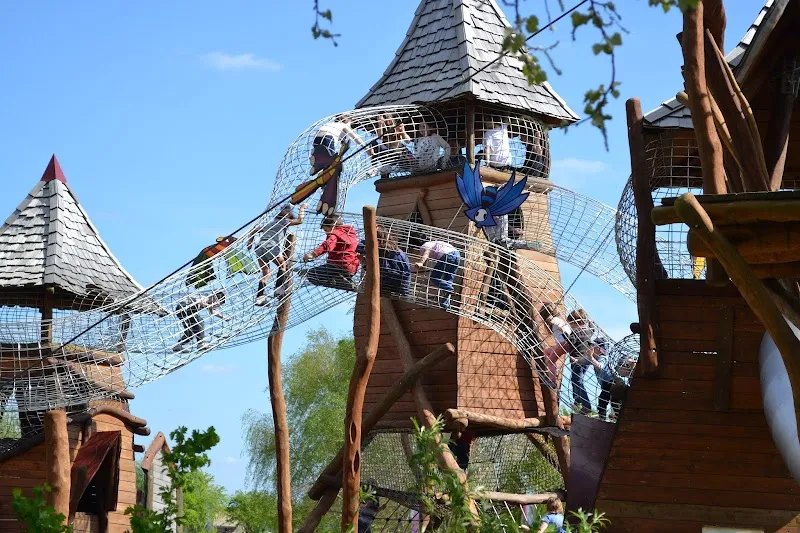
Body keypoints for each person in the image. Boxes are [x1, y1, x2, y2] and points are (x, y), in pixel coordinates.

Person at [247, 203, 307, 305]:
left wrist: (250, 243)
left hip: (259, 248)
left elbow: (254, 230)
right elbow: (300, 220)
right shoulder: (284, 221)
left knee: (267, 274)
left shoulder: (270, 223)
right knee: (283, 265)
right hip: (271, 247)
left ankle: (259, 298)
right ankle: (279, 290)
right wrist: (302, 208)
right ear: (287, 215)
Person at [303, 214, 360, 291]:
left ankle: (340, 282)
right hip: (351, 269)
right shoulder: (350, 234)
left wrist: (312, 255)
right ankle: (344, 281)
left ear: (333, 226)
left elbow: (328, 245)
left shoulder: (335, 233)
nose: (326, 233)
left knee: (311, 274)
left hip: (339, 265)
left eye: (326, 230)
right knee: (329, 273)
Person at [357, 226, 412, 297]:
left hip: (396, 290)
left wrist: (364, 262)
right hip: (392, 288)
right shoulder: (385, 250)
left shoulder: (392, 253)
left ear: (380, 239)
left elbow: (381, 272)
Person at [567, 309, 602, 413]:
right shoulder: (588, 331)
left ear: (575, 323)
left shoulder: (576, 332)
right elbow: (593, 329)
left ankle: (585, 405)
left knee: (577, 381)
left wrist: (563, 332)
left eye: (571, 324)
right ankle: (577, 399)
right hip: (586, 359)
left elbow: (569, 341)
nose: (570, 327)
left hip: (577, 360)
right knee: (576, 379)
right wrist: (590, 321)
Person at [414, 239, 461, 310]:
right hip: (457, 255)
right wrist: (421, 266)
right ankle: (445, 304)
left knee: (434, 278)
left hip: (447, 255)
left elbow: (426, 253)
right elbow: (424, 265)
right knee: (447, 279)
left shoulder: (424, 246)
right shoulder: (433, 243)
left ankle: (448, 288)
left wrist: (421, 262)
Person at [539, 303, 573, 386]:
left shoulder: (555, 320)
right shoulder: (560, 319)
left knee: (551, 361)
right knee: (547, 351)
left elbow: (554, 321)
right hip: (564, 344)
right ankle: (554, 370)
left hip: (563, 343)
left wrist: (550, 319)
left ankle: (553, 381)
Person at [598, 352, 636, 420]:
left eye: (618, 367)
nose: (617, 370)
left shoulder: (635, 371)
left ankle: (617, 415)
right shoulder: (629, 378)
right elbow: (616, 377)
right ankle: (617, 414)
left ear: (626, 365)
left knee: (616, 389)